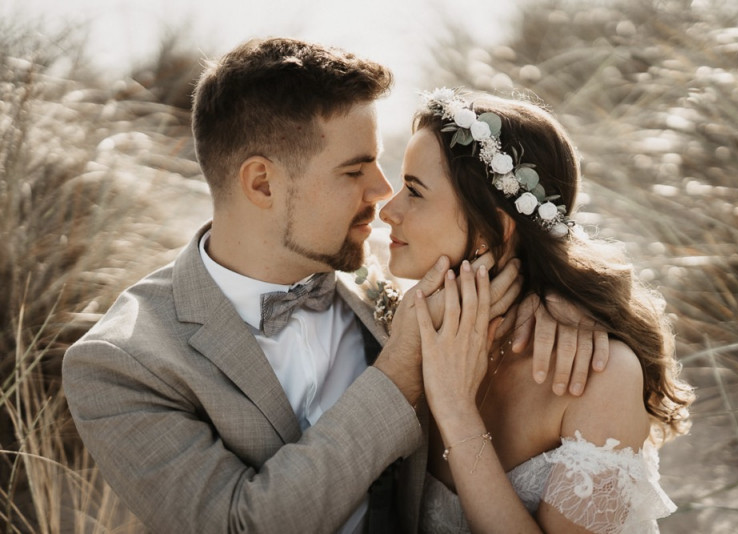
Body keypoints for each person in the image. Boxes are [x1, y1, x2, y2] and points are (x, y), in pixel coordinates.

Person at [62, 40, 606, 534]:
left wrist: (557, 302)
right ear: (262, 182)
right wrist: (398, 371)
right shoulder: (121, 364)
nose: (383, 190)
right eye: (355, 170)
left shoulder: (383, 282)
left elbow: (495, 247)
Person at [378, 88, 695, 533]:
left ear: (494, 228)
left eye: (414, 191)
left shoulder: (597, 375)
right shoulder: (402, 323)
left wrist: (454, 408)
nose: (387, 210)